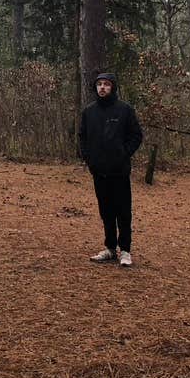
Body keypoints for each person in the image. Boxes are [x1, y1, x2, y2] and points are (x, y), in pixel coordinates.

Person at [78, 72, 143, 267]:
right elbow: (83, 137)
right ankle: (110, 248)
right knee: (106, 212)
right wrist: (90, 160)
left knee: (123, 212)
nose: (102, 87)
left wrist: (124, 153)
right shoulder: (89, 112)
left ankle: (125, 250)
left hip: (119, 171)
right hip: (99, 171)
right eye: (99, 84)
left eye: (106, 84)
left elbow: (136, 135)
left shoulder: (125, 110)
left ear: (112, 87)